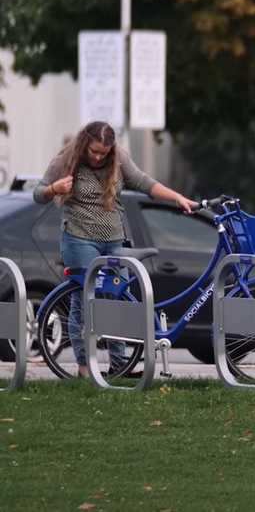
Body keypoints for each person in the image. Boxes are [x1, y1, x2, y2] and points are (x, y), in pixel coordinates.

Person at [34, 121, 197, 378]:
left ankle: (119, 365)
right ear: (85, 144)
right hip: (79, 238)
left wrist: (177, 197)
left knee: (116, 297)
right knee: (84, 302)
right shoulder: (66, 160)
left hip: (113, 238)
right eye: (94, 151)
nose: (98, 157)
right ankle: (85, 368)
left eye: (103, 152)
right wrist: (54, 189)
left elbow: (144, 182)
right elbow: (38, 193)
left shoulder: (118, 157)